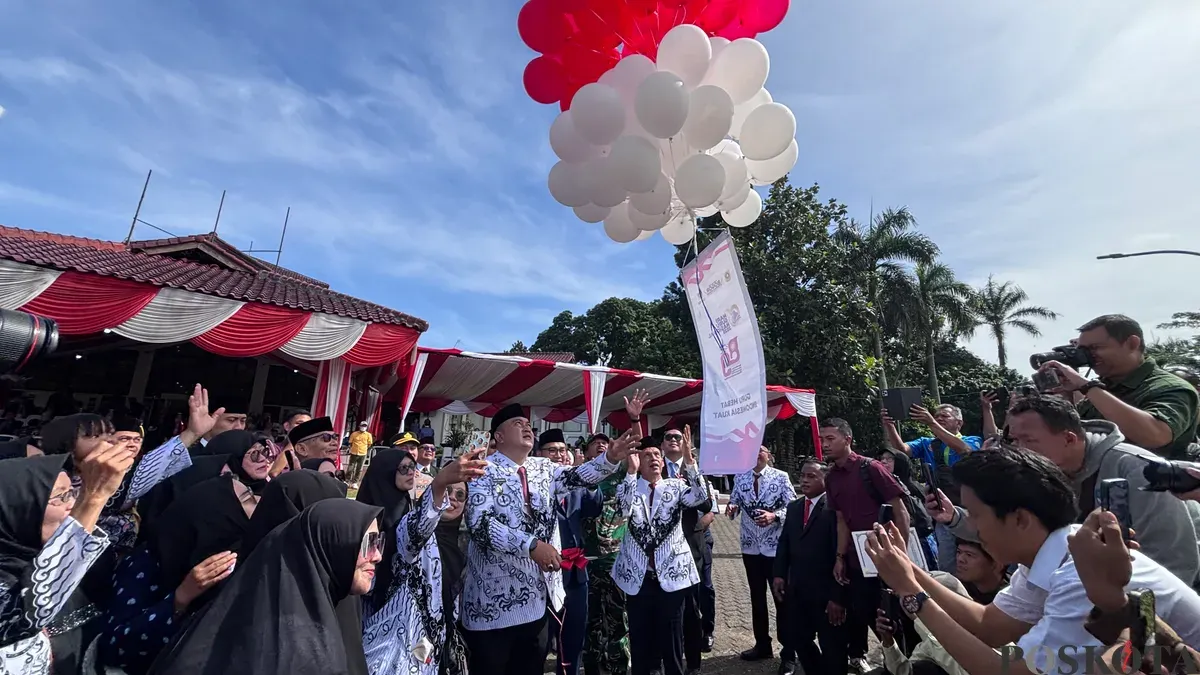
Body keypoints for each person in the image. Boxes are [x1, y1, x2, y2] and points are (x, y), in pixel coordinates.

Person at [865, 446, 1200, 675]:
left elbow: (1011, 671)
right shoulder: (1051, 553)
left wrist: (911, 591)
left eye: (977, 515)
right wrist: (910, 570)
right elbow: (990, 627)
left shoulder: (1078, 575)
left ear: (1020, 519)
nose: (972, 528)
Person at [461, 401, 640, 675]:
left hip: (537, 603)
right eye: (517, 424)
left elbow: (578, 477)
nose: (527, 427)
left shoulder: (543, 468)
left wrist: (610, 459)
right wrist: (530, 545)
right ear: (498, 436)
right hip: (492, 608)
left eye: (528, 424)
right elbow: (480, 526)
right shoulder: (481, 470)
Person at [147, 500, 384, 675]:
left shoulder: (243, 602)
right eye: (368, 543)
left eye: (379, 542)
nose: (378, 555)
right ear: (331, 546)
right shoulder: (304, 651)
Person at [1004, 394, 1200, 585]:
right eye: (1014, 440)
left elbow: (1173, 556)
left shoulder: (1137, 468)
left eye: (1028, 440)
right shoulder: (1041, 473)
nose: (1019, 450)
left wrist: (1140, 612)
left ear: (1069, 439)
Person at [99, 474, 254, 675]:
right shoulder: (147, 562)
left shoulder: (234, 558)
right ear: (216, 515)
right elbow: (114, 647)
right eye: (247, 499)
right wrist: (181, 598)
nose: (258, 502)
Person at [0, 448, 134, 675]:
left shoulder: (58, 557)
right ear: (20, 510)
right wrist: (93, 497)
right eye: (60, 497)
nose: (72, 504)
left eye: (72, 493)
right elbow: (30, 610)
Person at [361, 448, 487, 675]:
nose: (453, 500)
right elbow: (417, 529)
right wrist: (440, 483)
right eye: (404, 468)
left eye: (461, 495)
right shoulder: (395, 527)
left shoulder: (458, 541)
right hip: (394, 644)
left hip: (430, 645)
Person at [611, 430, 709, 675]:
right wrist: (631, 473)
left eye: (657, 454)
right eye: (647, 455)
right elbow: (622, 510)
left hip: (673, 578)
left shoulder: (675, 486)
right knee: (641, 640)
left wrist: (690, 461)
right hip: (638, 578)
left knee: (673, 640)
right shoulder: (630, 487)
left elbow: (701, 497)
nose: (653, 458)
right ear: (637, 461)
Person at [1038, 314, 1200, 459]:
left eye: (1095, 348)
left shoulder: (1170, 387)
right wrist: (1066, 394)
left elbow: (1155, 435)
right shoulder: (1102, 389)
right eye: (1083, 350)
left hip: (1153, 488)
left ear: (1132, 343)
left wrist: (1087, 386)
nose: (1088, 356)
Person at [821, 417, 911, 674]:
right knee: (868, 612)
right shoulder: (831, 477)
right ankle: (891, 662)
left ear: (847, 439)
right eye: (822, 440)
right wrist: (840, 556)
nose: (825, 445)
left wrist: (900, 553)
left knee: (898, 618)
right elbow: (841, 520)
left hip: (887, 555)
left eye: (831, 439)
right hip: (857, 561)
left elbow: (900, 509)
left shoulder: (870, 468)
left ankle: (909, 664)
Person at [883, 403, 982, 573]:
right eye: (937, 416)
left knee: (975, 559)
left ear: (959, 423)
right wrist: (890, 426)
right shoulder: (927, 443)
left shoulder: (972, 440)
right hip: (941, 511)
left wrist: (931, 423)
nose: (939, 418)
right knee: (948, 563)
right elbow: (902, 450)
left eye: (945, 416)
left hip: (969, 511)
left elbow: (965, 450)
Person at [772, 459, 847, 675]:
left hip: (827, 595)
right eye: (803, 475)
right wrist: (778, 574)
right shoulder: (794, 507)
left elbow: (841, 555)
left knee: (833, 648)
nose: (804, 480)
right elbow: (784, 542)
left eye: (811, 476)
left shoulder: (835, 511)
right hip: (797, 591)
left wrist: (838, 597)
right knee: (798, 638)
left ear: (826, 480)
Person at [540, 428, 603, 675]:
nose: (558, 455)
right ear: (539, 454)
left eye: (562, 450)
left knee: (574, 635)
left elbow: (594, 508)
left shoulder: (574, 484)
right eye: (551, 450)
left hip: (575, 571)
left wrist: (589, 480)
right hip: (544, 572)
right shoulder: (532, 486)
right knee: (541, 639)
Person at [727, 446, 796, 662]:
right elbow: (735, 500)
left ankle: (789, 653)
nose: (757, 453)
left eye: (761, 450)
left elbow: (794, 506)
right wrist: (731, 507)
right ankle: (762, 645)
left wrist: (774, 516)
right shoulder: (740, 477)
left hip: (775, 548)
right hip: (750, 548)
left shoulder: (781, 477)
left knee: (781, 599)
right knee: (757, 599)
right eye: (753, 450)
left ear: (769, 455)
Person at [658, 426, 715, 674]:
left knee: (691, 611)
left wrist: (691, 465)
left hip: (690, 549)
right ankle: (666, 659)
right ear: (662, 444)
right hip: (658, 552)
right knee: (665, 612)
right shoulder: (652, 467)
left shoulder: (694, 470)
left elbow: (705, 502)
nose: (672, 440)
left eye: (677, 437)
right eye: (668, 437)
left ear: (685, 443)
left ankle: (692, 663)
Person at [579, 432, 631, 675]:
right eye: (594, 444)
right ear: (587, 453)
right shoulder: (578, 479)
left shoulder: (619, 475)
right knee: (591, 621)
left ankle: (619, 666)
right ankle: (592, 666)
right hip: (586, 563)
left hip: (615, 562)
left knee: (618, 619)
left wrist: (633, 420)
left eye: (604, 443)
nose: (600, 445)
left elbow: (634, 448)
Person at [876, 572, 978, 675]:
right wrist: (888, 641)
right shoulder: (928, 644)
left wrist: (919, 620)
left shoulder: (982, 630)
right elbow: (903, 672)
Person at [434, 482, 471, 675]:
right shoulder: (419, 537)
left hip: (459, 634)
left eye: (461, 494)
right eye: (447, 490)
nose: (453, 498)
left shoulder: (472, 543)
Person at [953, 540, 1009, 605]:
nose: (960, 559)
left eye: (969, 555)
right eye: (959, 552)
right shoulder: (955, 587)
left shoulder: (1013, 598)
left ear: (996, 565)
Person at [348, 422, 374, 487]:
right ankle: (347, 481)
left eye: (365, 426)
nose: (363, 427)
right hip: (354, 452)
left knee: (359, 468)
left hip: (363, 453)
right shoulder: (354, 434)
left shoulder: (368, 435)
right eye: (362, 425)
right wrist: (353, 448)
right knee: (351, 467)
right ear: (359, 426)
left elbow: (369, 444)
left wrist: (365, 450)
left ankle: (355, 482)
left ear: (366, 427)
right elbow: (350, 442)